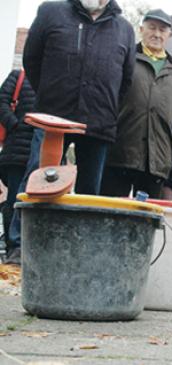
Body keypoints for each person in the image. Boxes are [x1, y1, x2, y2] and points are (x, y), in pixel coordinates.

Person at [6, 0, 136, 265]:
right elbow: (32, 59)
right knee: (37, 180)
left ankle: (80, 252)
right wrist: (52, 95)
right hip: (53, 115)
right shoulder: (51, 11)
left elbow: (125, 79)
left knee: (91, 190)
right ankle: (21, 246)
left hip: (98, 121)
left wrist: (103, 102)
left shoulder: (124, 28)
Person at [101, 9, 172, 199]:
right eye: (152, 28)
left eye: (162, 30)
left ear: (169, 35)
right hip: (121, 149)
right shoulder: (125, 59)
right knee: (111, 208)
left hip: (157, 158)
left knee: (146, 217)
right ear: (141, 29)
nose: (156, 34)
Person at [0, 70, 35, 265]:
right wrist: (15, 125)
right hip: (17, 151)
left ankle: (26, 247)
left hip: (45, 152)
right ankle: (13, 246)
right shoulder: (19, 76)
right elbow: (2, 102)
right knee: (15, 198)